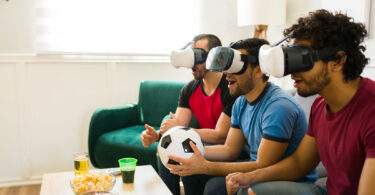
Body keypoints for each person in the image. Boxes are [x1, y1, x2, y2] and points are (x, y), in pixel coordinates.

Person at [226, 9, 375, 195]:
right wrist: (251, 176)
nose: (292, 73)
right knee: (252, 189)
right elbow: (299, 163)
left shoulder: (370, 111)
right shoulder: (321, 107)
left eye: (302, 60)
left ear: (338, 60)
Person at [165, 38, 317, 195]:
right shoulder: (240, 103)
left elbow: (262, 164)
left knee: (215, 187)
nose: (226, 74)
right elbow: (230, 150)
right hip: (257, 169)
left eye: (236, 67)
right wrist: (191, 150)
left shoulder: (278, 107)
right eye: (226, 67)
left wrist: (206, 166)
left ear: (259, 70)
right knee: (193, 174)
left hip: (286, 180)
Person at [141, 34, 238, 195]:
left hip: (228, 149)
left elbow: (221, 135)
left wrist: (181, 129)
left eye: (197, 56)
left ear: (214, 56)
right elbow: (177, 130)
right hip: (203, 143)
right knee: (165, 151)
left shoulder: (229, 87)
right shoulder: (189, 89)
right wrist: (157, 136)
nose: (191, 63)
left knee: (185, 154)